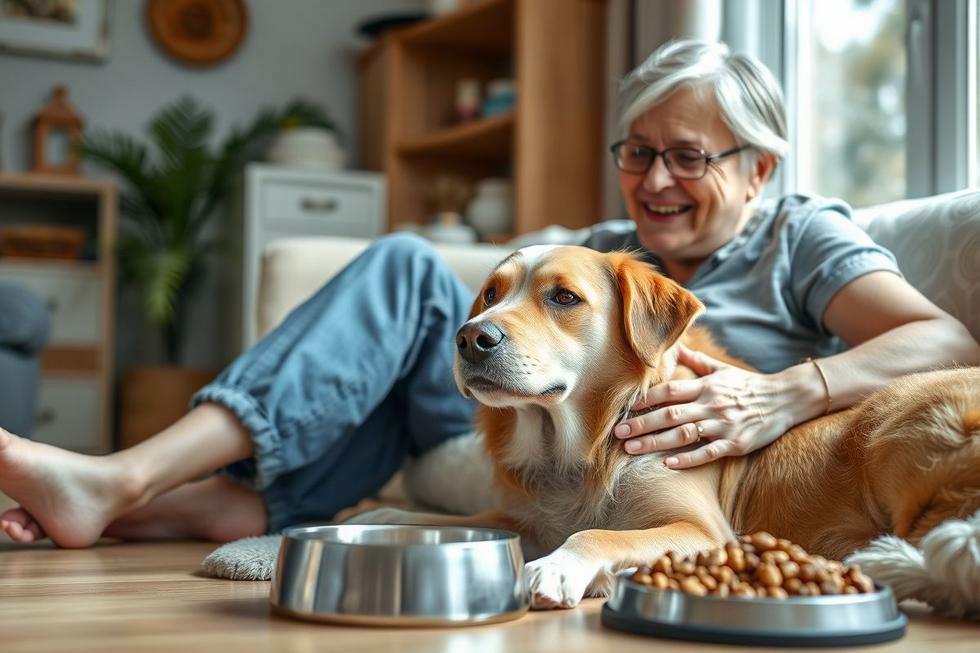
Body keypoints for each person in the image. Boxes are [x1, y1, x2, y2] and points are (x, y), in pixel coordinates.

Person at [2, 39, 977, 548]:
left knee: (382, 362)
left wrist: (787, 389)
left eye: (686, 156)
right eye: (635, 153)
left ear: (758, 168)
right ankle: (128, 483)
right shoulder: (601, 248)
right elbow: (482, 322)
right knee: (403, 273)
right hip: (519, 426)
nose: (653, 181)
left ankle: (168, 502)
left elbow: (940, 340)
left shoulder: (800, 235)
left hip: (660, 458)